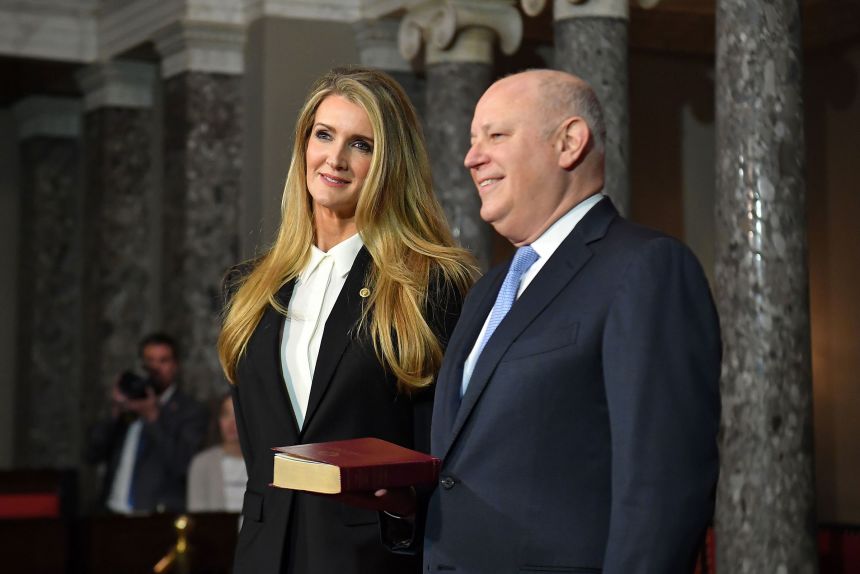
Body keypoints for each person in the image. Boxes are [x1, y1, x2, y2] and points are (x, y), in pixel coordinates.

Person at [422, 70, 722, 573]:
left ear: (569, 142)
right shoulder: (488, 293)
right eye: (473, 140)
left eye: (495, 136)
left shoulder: (645, 268)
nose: (472, 157)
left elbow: (662, 489)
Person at [218, 67, 475, 574]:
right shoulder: (248, 287)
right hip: (263, 558)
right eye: (324, 135)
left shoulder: (429, 284)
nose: (334, 159)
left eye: (361, 145)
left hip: (370, 559)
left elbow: (441, 455)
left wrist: (405, 515)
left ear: (391, 163)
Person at [85, 332, 208, 514]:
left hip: (156, 516)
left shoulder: (190, 411)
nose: (155, 368)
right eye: (149, 360)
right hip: (111, 513)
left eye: (163, 361)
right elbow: (91, 453)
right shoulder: (130, 404)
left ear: (175, 366)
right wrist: (116, 412)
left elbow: (182, 464)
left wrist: (153, 418)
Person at [187, 392, 247, 512]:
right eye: (226, 414)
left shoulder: (263, 464)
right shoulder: (202, 463)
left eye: (237, 414)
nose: (231, 423)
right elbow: (197, 513)